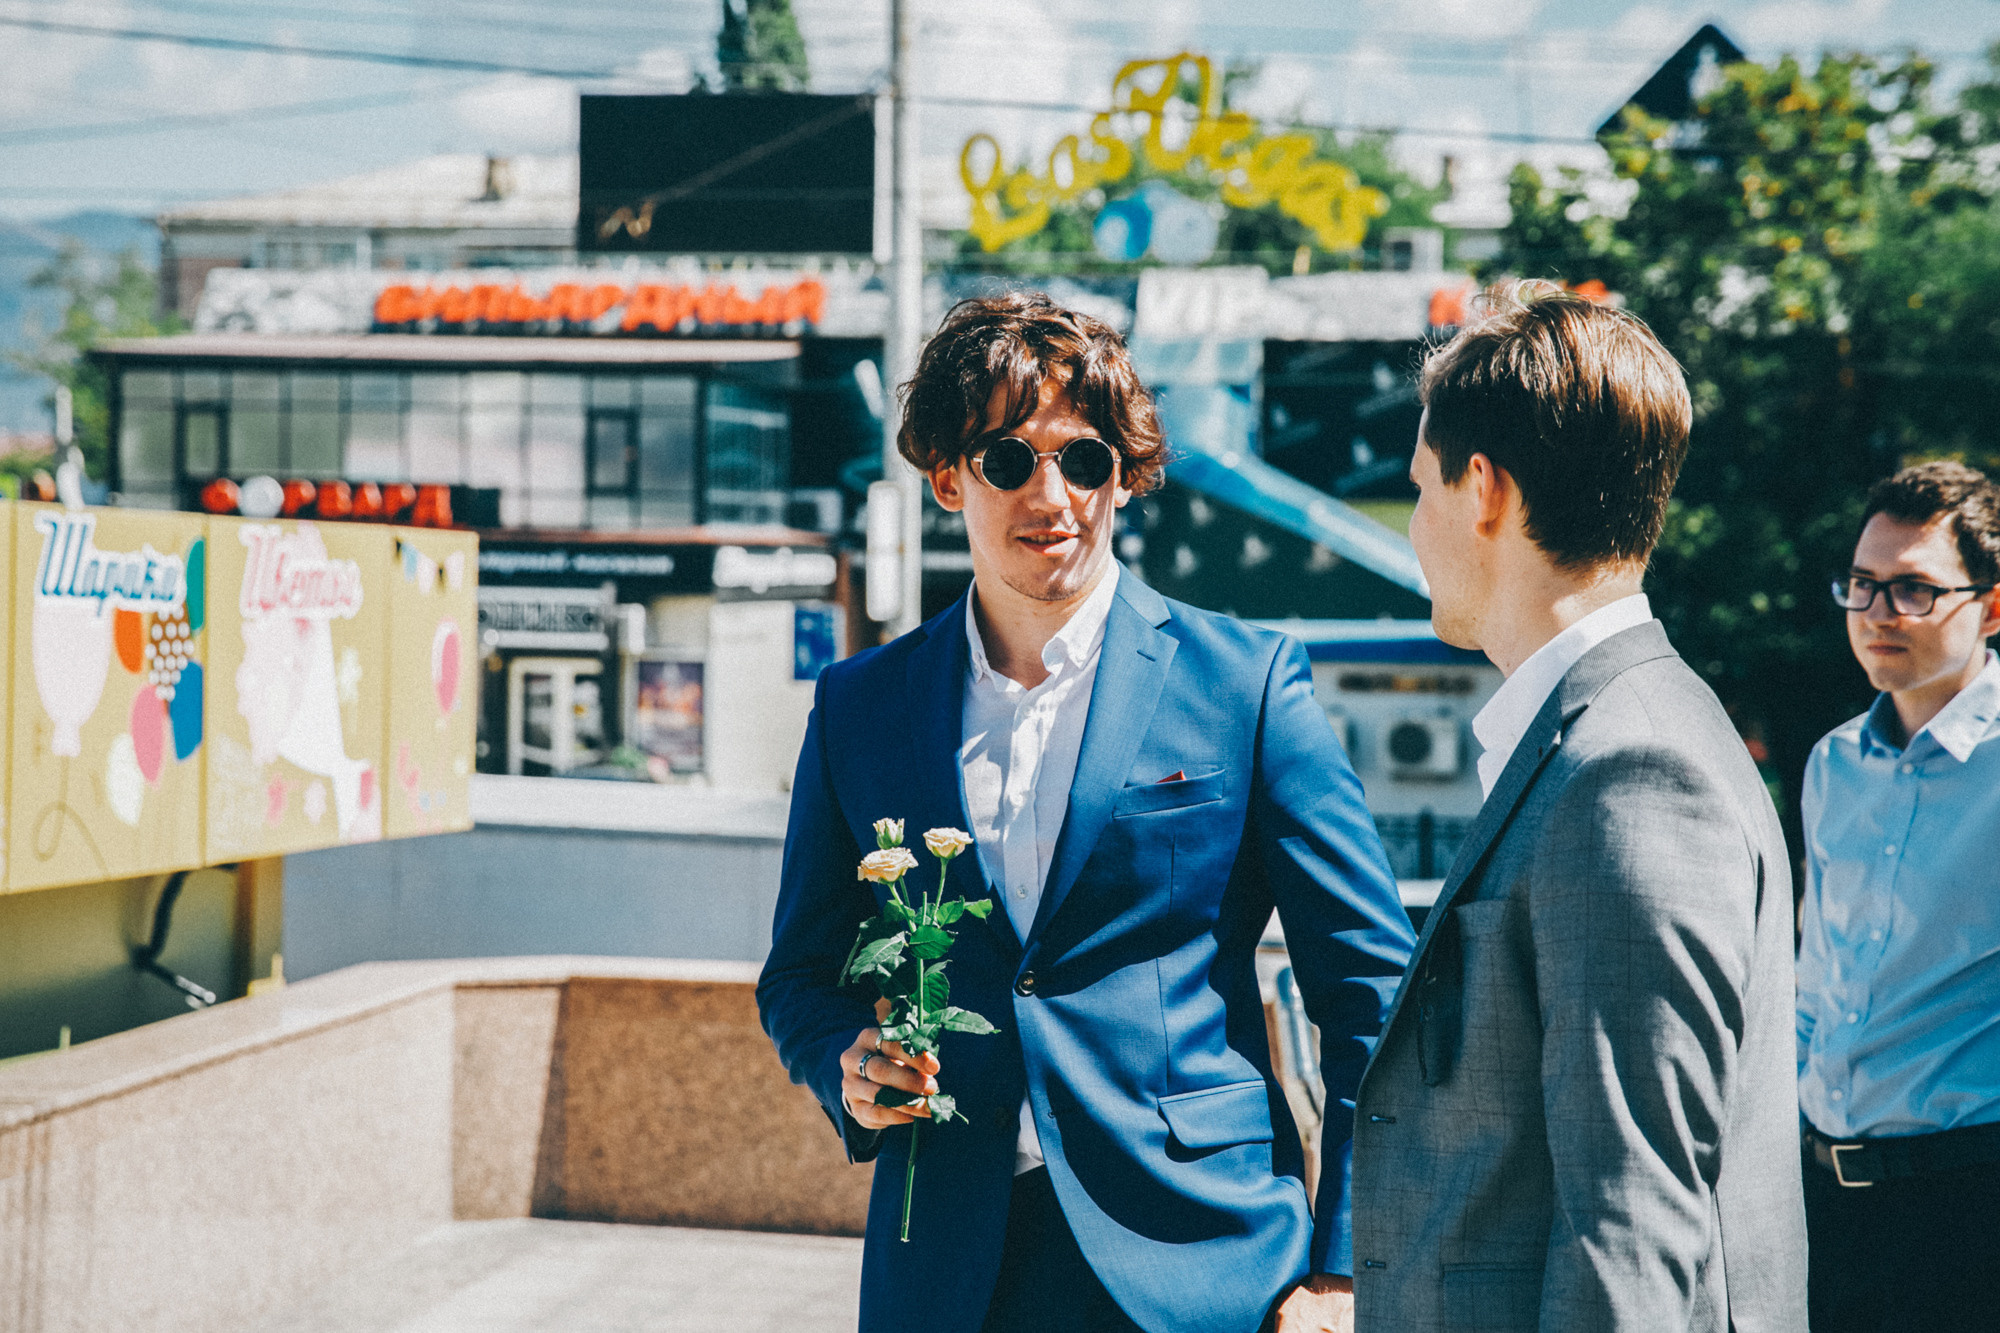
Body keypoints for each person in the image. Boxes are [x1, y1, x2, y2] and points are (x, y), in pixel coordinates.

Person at [757, 292, 1415, 1333]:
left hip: (1202, 1261)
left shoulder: (1244, 683)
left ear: (1125, 476)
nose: (1051, 493)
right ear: (946, 478)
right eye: (1009, 460)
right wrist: (846, 1060)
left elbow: (1371, 993)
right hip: (944, 1274)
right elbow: (797, 973)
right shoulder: (860, 707)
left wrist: (1341, 1270)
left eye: (1087, 458)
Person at [1349, 286, 1808, 1331]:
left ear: (1481, 490)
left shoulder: (1630, 773)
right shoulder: (1628, 729)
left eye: (1417, 486)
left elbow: (1631, 1222)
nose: (1413, 525)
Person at [1797, 460, 2000, 1332]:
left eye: (1914, 589)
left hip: (1968, 1211)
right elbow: (1813, 985)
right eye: (1864, 586)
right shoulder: (1831, 764)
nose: (1880, 614)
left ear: (1990, 607)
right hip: (1822, 1204)